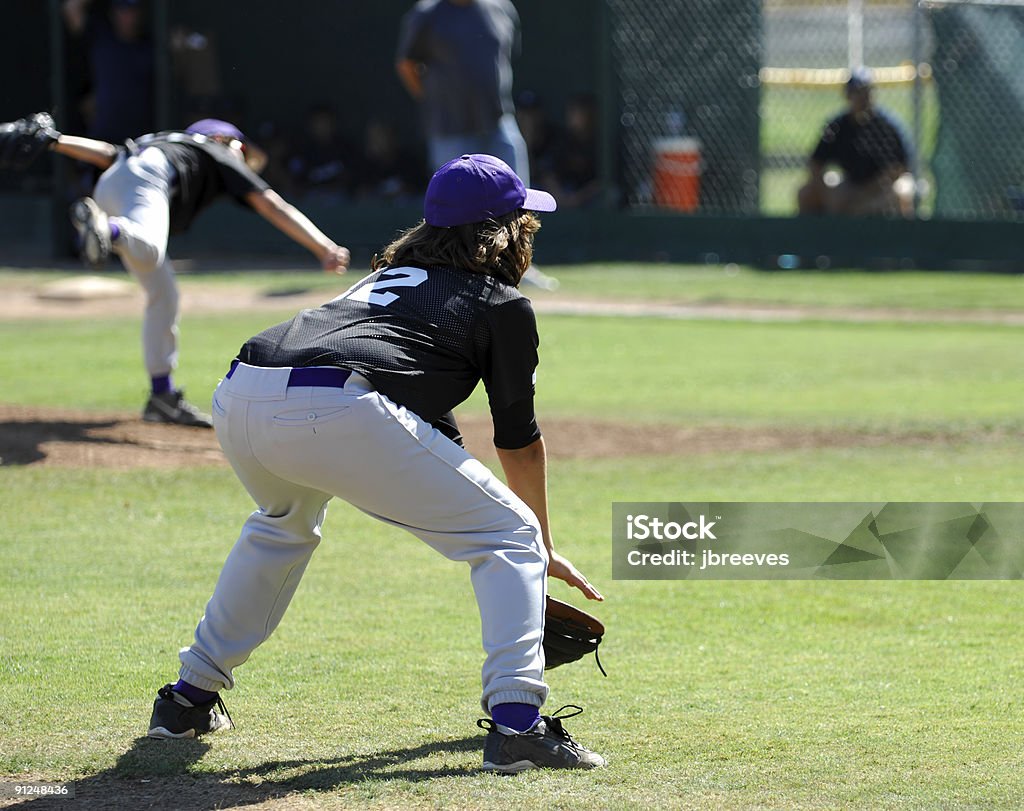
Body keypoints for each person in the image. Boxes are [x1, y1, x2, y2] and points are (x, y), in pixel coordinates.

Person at [144, 154, 606, 773]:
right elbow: (518, 440)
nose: (531, 227)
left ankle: (188, 699)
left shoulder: (381, 279)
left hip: (242, 390)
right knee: (512, 535)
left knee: (281, 524)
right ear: (504, 229)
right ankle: (518, 724)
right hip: (336, 403)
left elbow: (423, 430)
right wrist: (540, 543)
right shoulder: (500, 304)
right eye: (525, 218)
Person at [48, 118, 351, 427]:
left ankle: (162, 397)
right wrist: (324, 247)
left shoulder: (164, 142)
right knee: (150, 248)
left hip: (111, 185)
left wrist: (54, 140)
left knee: (163, 294)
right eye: (242, 150)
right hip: (147, 181)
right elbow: (272, 205)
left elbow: (106, 153)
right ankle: (110, 230)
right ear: (223, 139)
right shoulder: (214, 149)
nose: (244, 159)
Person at [396, 0, 559, 291]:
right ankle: (453, 273)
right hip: (450, 128)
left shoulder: (500, 8)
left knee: (517, 198)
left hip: (498, 120)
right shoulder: (427, 14)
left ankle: (518, 266)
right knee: (455, 208)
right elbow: (407, 65)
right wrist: (435, 103)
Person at [797, 67, 914, 217]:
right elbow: (815, 165)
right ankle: (814, 239)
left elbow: (898, 171)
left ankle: (904, 239)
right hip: (850, 185)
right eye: (857, 92)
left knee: (902, 191)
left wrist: (862, 198)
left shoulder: (887, 126)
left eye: (867, 91)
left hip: (880, 188)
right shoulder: (837, 127)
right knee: (806, 193)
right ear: (847, 95)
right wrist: (831, 194)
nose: (863, 97)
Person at [62, 0, 155, 144]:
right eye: (122, 10)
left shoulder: (151, 46)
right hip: (104, 136)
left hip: (141, 138)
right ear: (113, 13)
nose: (128, 17)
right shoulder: (100, 38)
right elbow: (71, 8)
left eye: (133, 10)